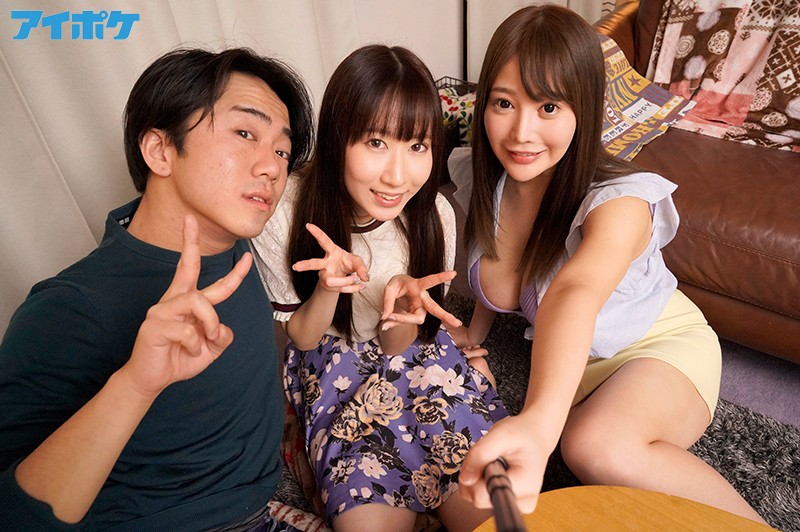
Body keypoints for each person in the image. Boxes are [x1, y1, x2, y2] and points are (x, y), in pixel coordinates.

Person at [449, 5, 767, 525]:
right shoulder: (480, 176)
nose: (521, 132)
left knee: (593, 446)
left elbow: (575, 291)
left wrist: (540, 423)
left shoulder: (622, 202)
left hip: (658, 345)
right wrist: (472, 330)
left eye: (548, 107)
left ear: (585, 109)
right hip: (576, 364)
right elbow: (497, 265)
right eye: (504, 103)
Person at [0, 47, 314, 530]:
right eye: (245, 133)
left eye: (281, 151)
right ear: (160, 150)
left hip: (266, 506)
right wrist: (135, 384)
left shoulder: (238, 248)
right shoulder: (68, 308)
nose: (272, 168)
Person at [251, 44, 506, 532]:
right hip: (331, 365)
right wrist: (328, 288)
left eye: (417, 146)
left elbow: (399, 347)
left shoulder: (435, 217)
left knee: (493, 516)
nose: (398, 175)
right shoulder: (285, 211)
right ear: (337, 139)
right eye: (375, 142)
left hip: (417, 356)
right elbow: (302, 337)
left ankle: (470, 386)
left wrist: (403, 312)